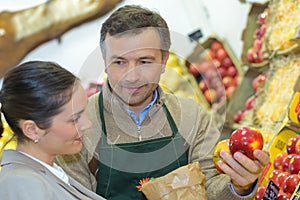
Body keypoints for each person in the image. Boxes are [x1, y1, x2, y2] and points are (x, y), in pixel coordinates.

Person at [55, 5, 270, 200]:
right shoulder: (77, 125)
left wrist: (240, 186)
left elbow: (212, 188)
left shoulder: (192, 116)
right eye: (119, 62)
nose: (132, 76)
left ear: (164, 61)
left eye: (144, 61)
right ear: (105, 62)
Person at [0, 61, 106, 200]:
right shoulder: (24, 184)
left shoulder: (47, 171)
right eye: (74, 119)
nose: (87, 124)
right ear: (32, 130)